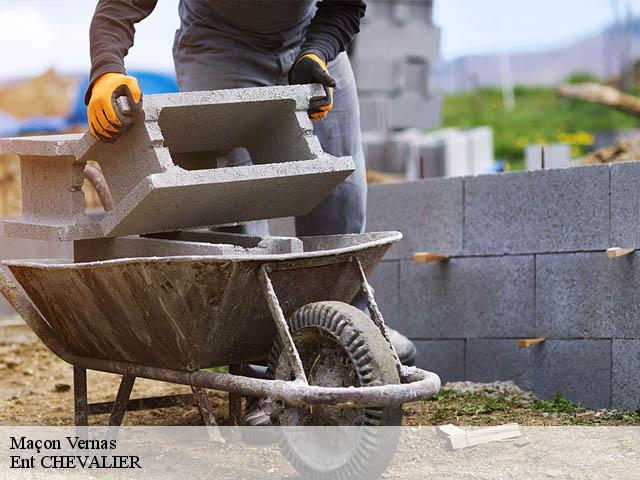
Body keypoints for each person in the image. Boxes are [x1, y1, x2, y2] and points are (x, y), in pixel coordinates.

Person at [85, 0, 417, 420]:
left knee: (341, 195)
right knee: (240, 215)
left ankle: (345, 335)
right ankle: (266, 378)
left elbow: (345, 4)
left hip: (307, 41)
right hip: (222, 48)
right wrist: (106, 69)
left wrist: (317, 52)